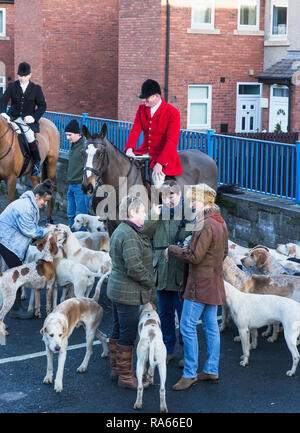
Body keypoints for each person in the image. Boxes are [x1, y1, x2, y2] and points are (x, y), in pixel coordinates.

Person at [165, 183, 228, 391]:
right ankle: (212, 369)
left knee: (187, 327)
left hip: (199, 285)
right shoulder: (220, 221)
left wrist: (173, 249)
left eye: (194, 200)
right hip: (214, 282)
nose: (191, 204)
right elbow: (224, 252)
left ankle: (190, 373)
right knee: (211, 326)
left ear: (206, 201)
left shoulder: (204, 223)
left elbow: (194, 256)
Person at [107, 195, 156, 389]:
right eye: (143, 211)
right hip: (127, 293)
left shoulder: (123, 230)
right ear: (133, 212)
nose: (145, 214)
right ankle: (126, 377)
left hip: (118, 289)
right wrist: (151, 282)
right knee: (127, 335)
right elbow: (134, 267)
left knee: (118, 330)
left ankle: (116, 369)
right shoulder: (128, 234)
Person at [143, 180, 191, 367]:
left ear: (180, 195)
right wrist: (154, 215)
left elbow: (189, 240)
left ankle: (187, 352)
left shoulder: (188, 214)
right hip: (161, 270)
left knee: (185, 317)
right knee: (164, 315)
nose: (169, 199)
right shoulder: (157, 212)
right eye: (165, 195)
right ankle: (168, 349)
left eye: (173, 195)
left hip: (179, 271)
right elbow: (145, 232)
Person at [0, 179, 54, 319]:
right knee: (16, 274)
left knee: (15, 273)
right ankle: (14, 309)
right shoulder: (25, 207)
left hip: (8, 238)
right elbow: (29, 230)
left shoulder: (29, 203)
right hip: (6, 240)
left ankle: (13, 305)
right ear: (37, 197)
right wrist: (48, 231)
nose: (45, 204)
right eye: (45, 201)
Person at [125, 79, 182, 189]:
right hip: (145, 150)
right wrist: (129, 148)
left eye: (147, 97)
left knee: (158, 182)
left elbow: (172, 141)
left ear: (156, 96)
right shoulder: (141, 109)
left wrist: (160, 163)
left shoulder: (172, 112)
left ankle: (158, 205)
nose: (144, 100)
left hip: (162, 154)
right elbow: (135, 130)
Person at [0, 61, 47, 177]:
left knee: (30, 136)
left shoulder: (36, 89)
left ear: (30, 75)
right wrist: (3, 112)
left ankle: (36, 163)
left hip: (27, 121)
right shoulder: (12, 86)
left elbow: (42, 106)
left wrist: (33, 117)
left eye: (25, 76)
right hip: (12, 118)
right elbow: (3, 100)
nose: (22, 78)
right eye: (20, 76)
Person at [65, 119, 90, 230]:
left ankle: (81, 241)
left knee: (81, 217)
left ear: (78, 134)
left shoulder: (85, 146)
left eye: (70, 135)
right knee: (71, 215)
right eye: (66, 135)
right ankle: (71, 240)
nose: (67, 138)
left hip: (81, 186)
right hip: (71, 185)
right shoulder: (74, 144)